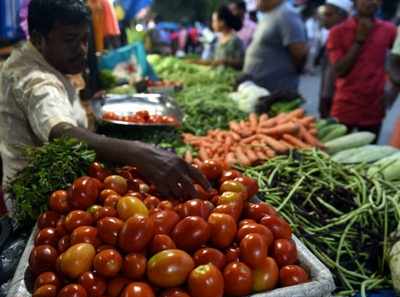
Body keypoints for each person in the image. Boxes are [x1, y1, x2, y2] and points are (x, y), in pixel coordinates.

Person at [0, 0, 209, 213]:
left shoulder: (40, 57)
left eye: (85, 39)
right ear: (38, 38)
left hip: (59, 187)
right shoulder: (34, 79)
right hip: (36, 199)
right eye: (70, 40)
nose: (82, 50)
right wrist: (137, 153)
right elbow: (60, 131)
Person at [327, 0, 396, 139]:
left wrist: (392, 89)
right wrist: (359, 41)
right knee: (337, 155)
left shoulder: (389, 30)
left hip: (374, 108)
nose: (371, 2)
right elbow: (340, 70)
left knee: (370, 157)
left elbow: (397, 59)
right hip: (345, 106)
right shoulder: (338, 31)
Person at [243, 0, 308, 92]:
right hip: (261, 88)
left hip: (276, 91)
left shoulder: (286, 14)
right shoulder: (269, 14)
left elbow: (299, 52)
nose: (255, 1)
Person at [318, 0, 352, 118]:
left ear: (343, 16)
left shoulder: (347, 37)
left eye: (329, 15)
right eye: (324, 14)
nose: (324, 19)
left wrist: (326, 97)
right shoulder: (330, 34)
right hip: (327, 94)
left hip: (337, 97)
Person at [194, 5, 244, 70]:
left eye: (214, 21)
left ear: (222, 22)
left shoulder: (235, 40)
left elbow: (242, 63)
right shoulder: (218, 39)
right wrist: (197, 62)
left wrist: (225, 62)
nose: (212, 24)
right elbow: (214, 61)